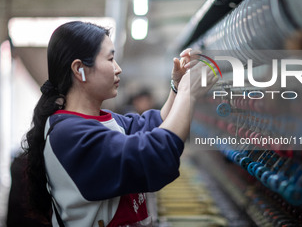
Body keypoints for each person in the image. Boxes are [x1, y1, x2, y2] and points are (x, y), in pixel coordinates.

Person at [22, 21, 217, 227]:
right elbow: (154, 154)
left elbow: (158, 126)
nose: (118, 69)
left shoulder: (105, 121)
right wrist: (188, 94)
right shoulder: (68, 135)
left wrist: (177, 88)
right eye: (110, 59)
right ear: (80, 69)